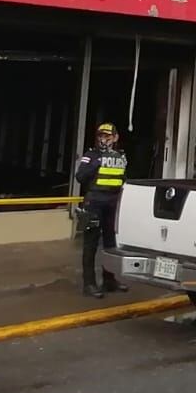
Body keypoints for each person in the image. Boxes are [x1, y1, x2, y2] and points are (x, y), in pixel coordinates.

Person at [75, 122, 130, 299]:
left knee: (110, 245)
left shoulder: (121, 157)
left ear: (115, 138)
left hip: (112, 204)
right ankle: (89, 284)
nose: (103, 139)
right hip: (94, 203)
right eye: (100, 136)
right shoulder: (91, 155)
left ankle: (109, 280)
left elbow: (124, 180)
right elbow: (80, 177)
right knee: (90, 244)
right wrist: (97, 161)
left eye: (107, 136)